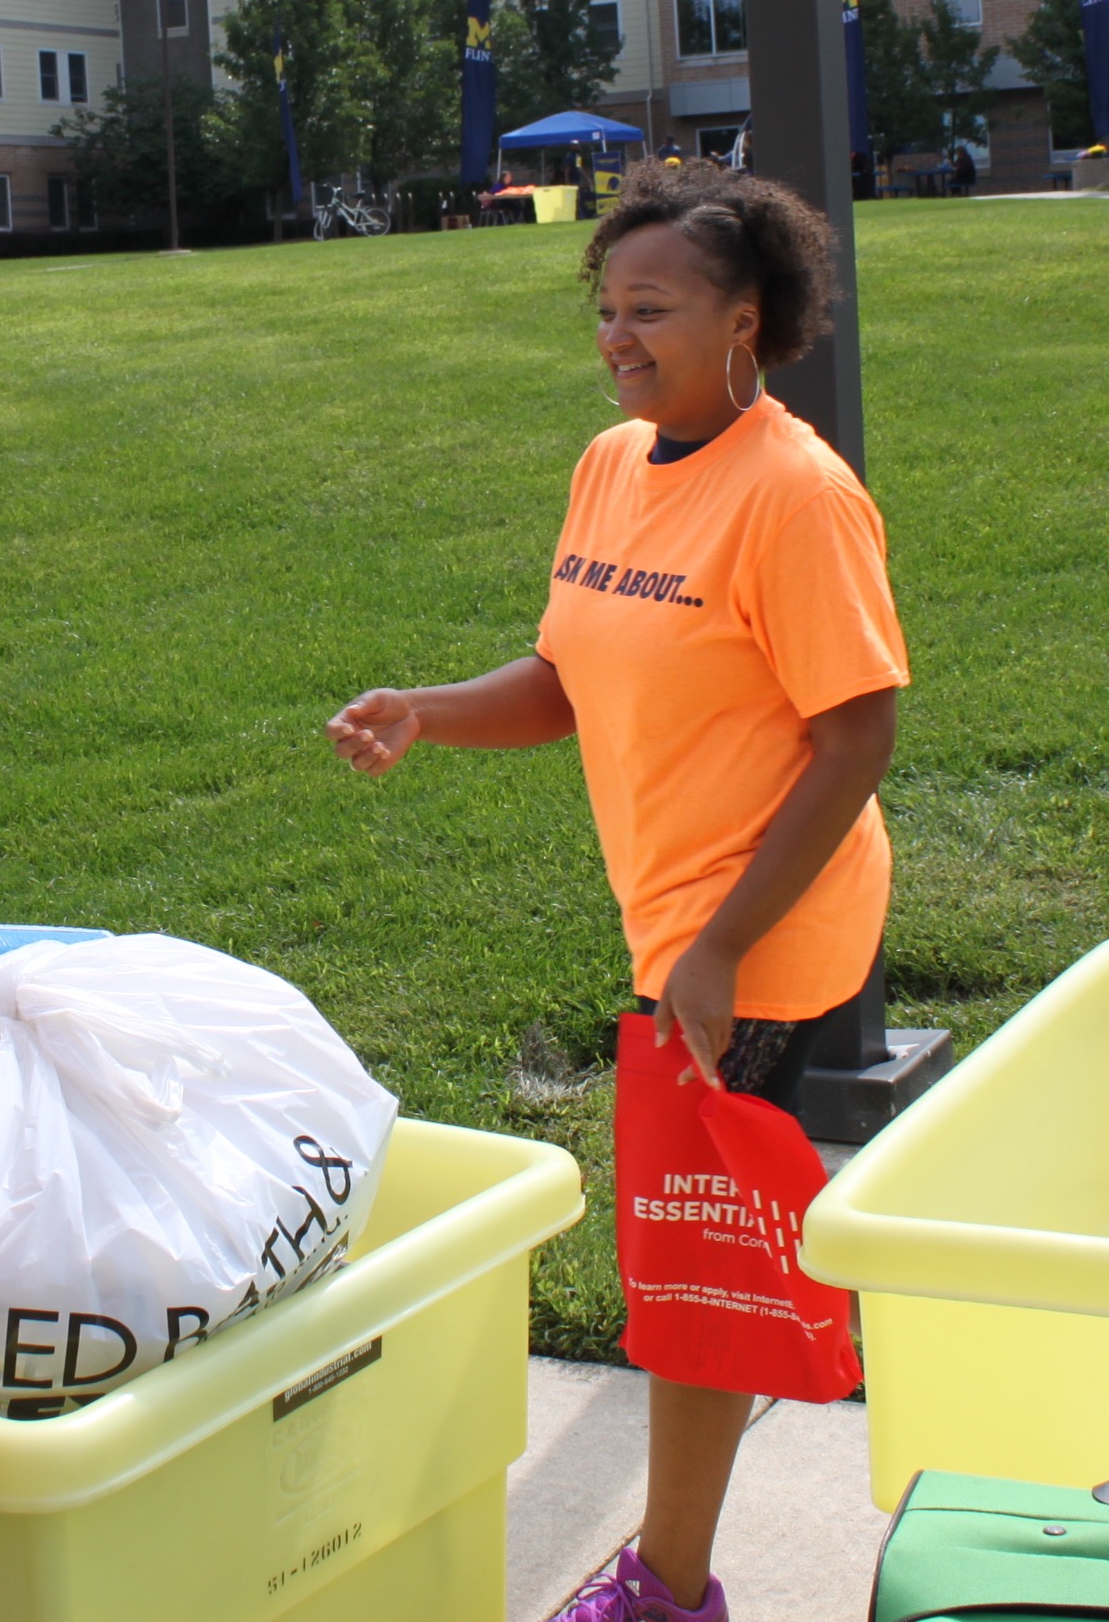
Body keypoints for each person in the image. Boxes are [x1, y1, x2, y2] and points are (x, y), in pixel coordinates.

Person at [328, 164, 906, 1622]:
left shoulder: (796, 495)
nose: (618, 336)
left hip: (759, 931)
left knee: (697, 1259)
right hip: (684, 926)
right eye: (606, 309)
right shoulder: (611, 463)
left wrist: (719, 947)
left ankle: (668, 1587)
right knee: (701, 1241)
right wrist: (430, 709)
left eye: (651, 308)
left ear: (745, 322)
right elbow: (572, 677)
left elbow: (858, 735)